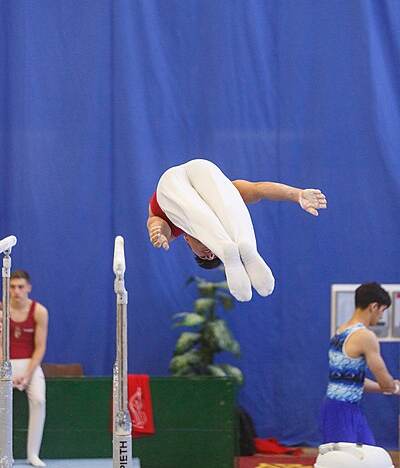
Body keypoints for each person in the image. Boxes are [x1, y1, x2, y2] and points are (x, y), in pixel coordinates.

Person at [147, 159, 327, 301]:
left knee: (197, 215)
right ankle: (245, 249)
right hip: (203, 170)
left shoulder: (173, 230)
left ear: (187, 240)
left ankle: (232, 251)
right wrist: (297, 195)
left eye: (204, 256)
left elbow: (155, 222)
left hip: (170, 186)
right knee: (230, 206)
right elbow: (258, 190)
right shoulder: (224, 193)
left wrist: (157, 231)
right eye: (214, 255)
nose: (209, 253)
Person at [319, 282, 400, 445]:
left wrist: (389, 388)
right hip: (341, 412)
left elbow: (353, 381)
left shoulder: (340, 331)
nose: (381, 317)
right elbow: (385, 381)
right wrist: (394, 387)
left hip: (343, 408)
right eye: (382, 311)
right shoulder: (365, 336)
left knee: (369, 457)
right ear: (374, 307)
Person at [0, 270, 48, 467]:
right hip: (5, 363)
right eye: (12, 287)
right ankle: (4, 454)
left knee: (39, 400)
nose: (16, 291)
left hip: (30, 364)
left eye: (20, 287)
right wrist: (5, 372)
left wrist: (27, 374)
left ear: (29, 288)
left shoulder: (39, 311)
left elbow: (40, 347)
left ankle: (32, 454)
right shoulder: (2, 311)